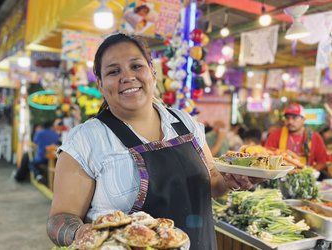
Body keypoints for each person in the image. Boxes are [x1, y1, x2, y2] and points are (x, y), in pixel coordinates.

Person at [46, 33, 262, 249]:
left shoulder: (185, 123)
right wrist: (81, 232)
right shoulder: (86, 140)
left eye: (136, 66)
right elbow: (59, 219)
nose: (128, 76)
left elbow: (214, 182)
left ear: (153, 73)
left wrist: (234, 180)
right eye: (114, 71)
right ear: (101, 86)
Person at [265, 103, 328, 178]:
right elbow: (266, 157)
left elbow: (322, 163)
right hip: (280, 177)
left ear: (303, 119)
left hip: (306, 178)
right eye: (287, 118)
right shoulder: (275, 135)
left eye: (294, 118)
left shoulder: (315, 137)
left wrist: (309, 172)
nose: (290, 121)